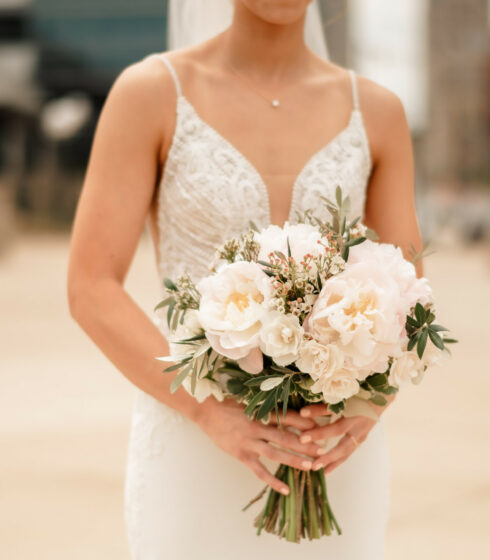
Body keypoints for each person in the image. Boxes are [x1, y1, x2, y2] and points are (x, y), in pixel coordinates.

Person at [67, 1, 424, 558]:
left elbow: (406, 290)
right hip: (193, 447)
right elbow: (90, 286)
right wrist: (207, 412)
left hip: (328, 449)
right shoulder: (150, 93)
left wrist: (369, 407)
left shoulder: (377, 111)